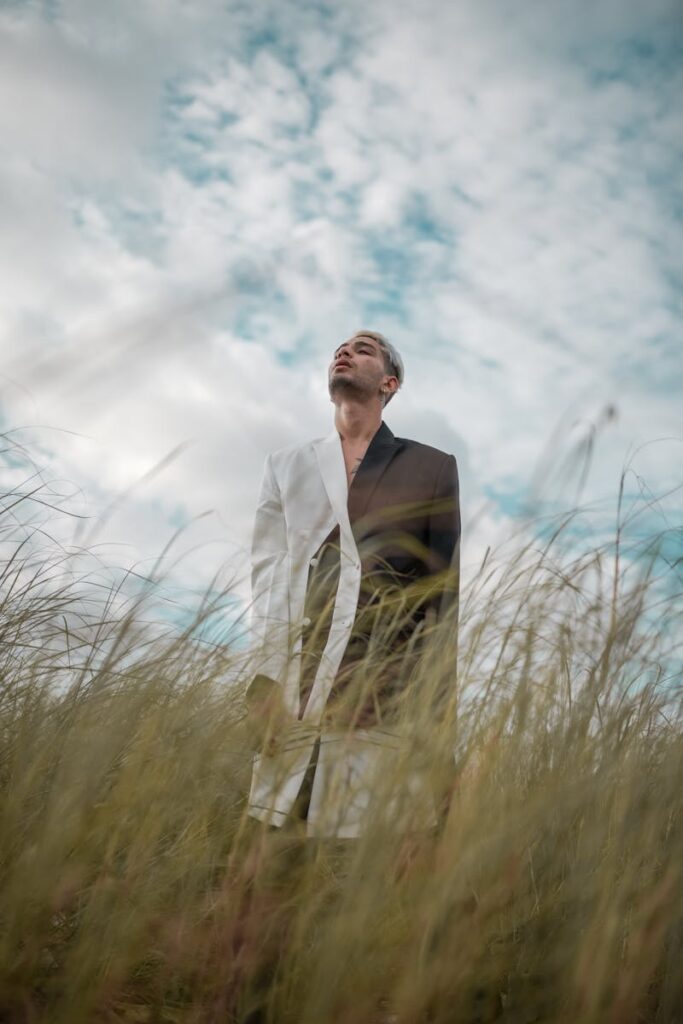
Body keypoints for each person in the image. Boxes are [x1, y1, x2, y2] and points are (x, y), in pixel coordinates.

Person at [245, 330, 461, 839]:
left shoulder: (431, 467)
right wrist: (266, 680)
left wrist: (434, 719)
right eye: (341, 348)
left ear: (390, 382)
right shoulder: (285, 465)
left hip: (381, 695)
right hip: (295, 687)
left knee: (355, 862)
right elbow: (268, 576)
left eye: (363, 349)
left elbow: (440, 598)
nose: (345, 351)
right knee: (270, 856)